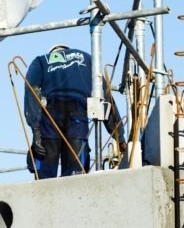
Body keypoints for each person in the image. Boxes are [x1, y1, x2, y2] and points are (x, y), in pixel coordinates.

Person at [24, 44, 127, 179]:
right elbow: (106, 99)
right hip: (77, 117)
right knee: (76, 178)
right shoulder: (88, 59)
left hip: (50, 118)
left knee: (44, 178)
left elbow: (31, 90)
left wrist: (36, 129)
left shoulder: (41, 61)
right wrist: (120, 138)